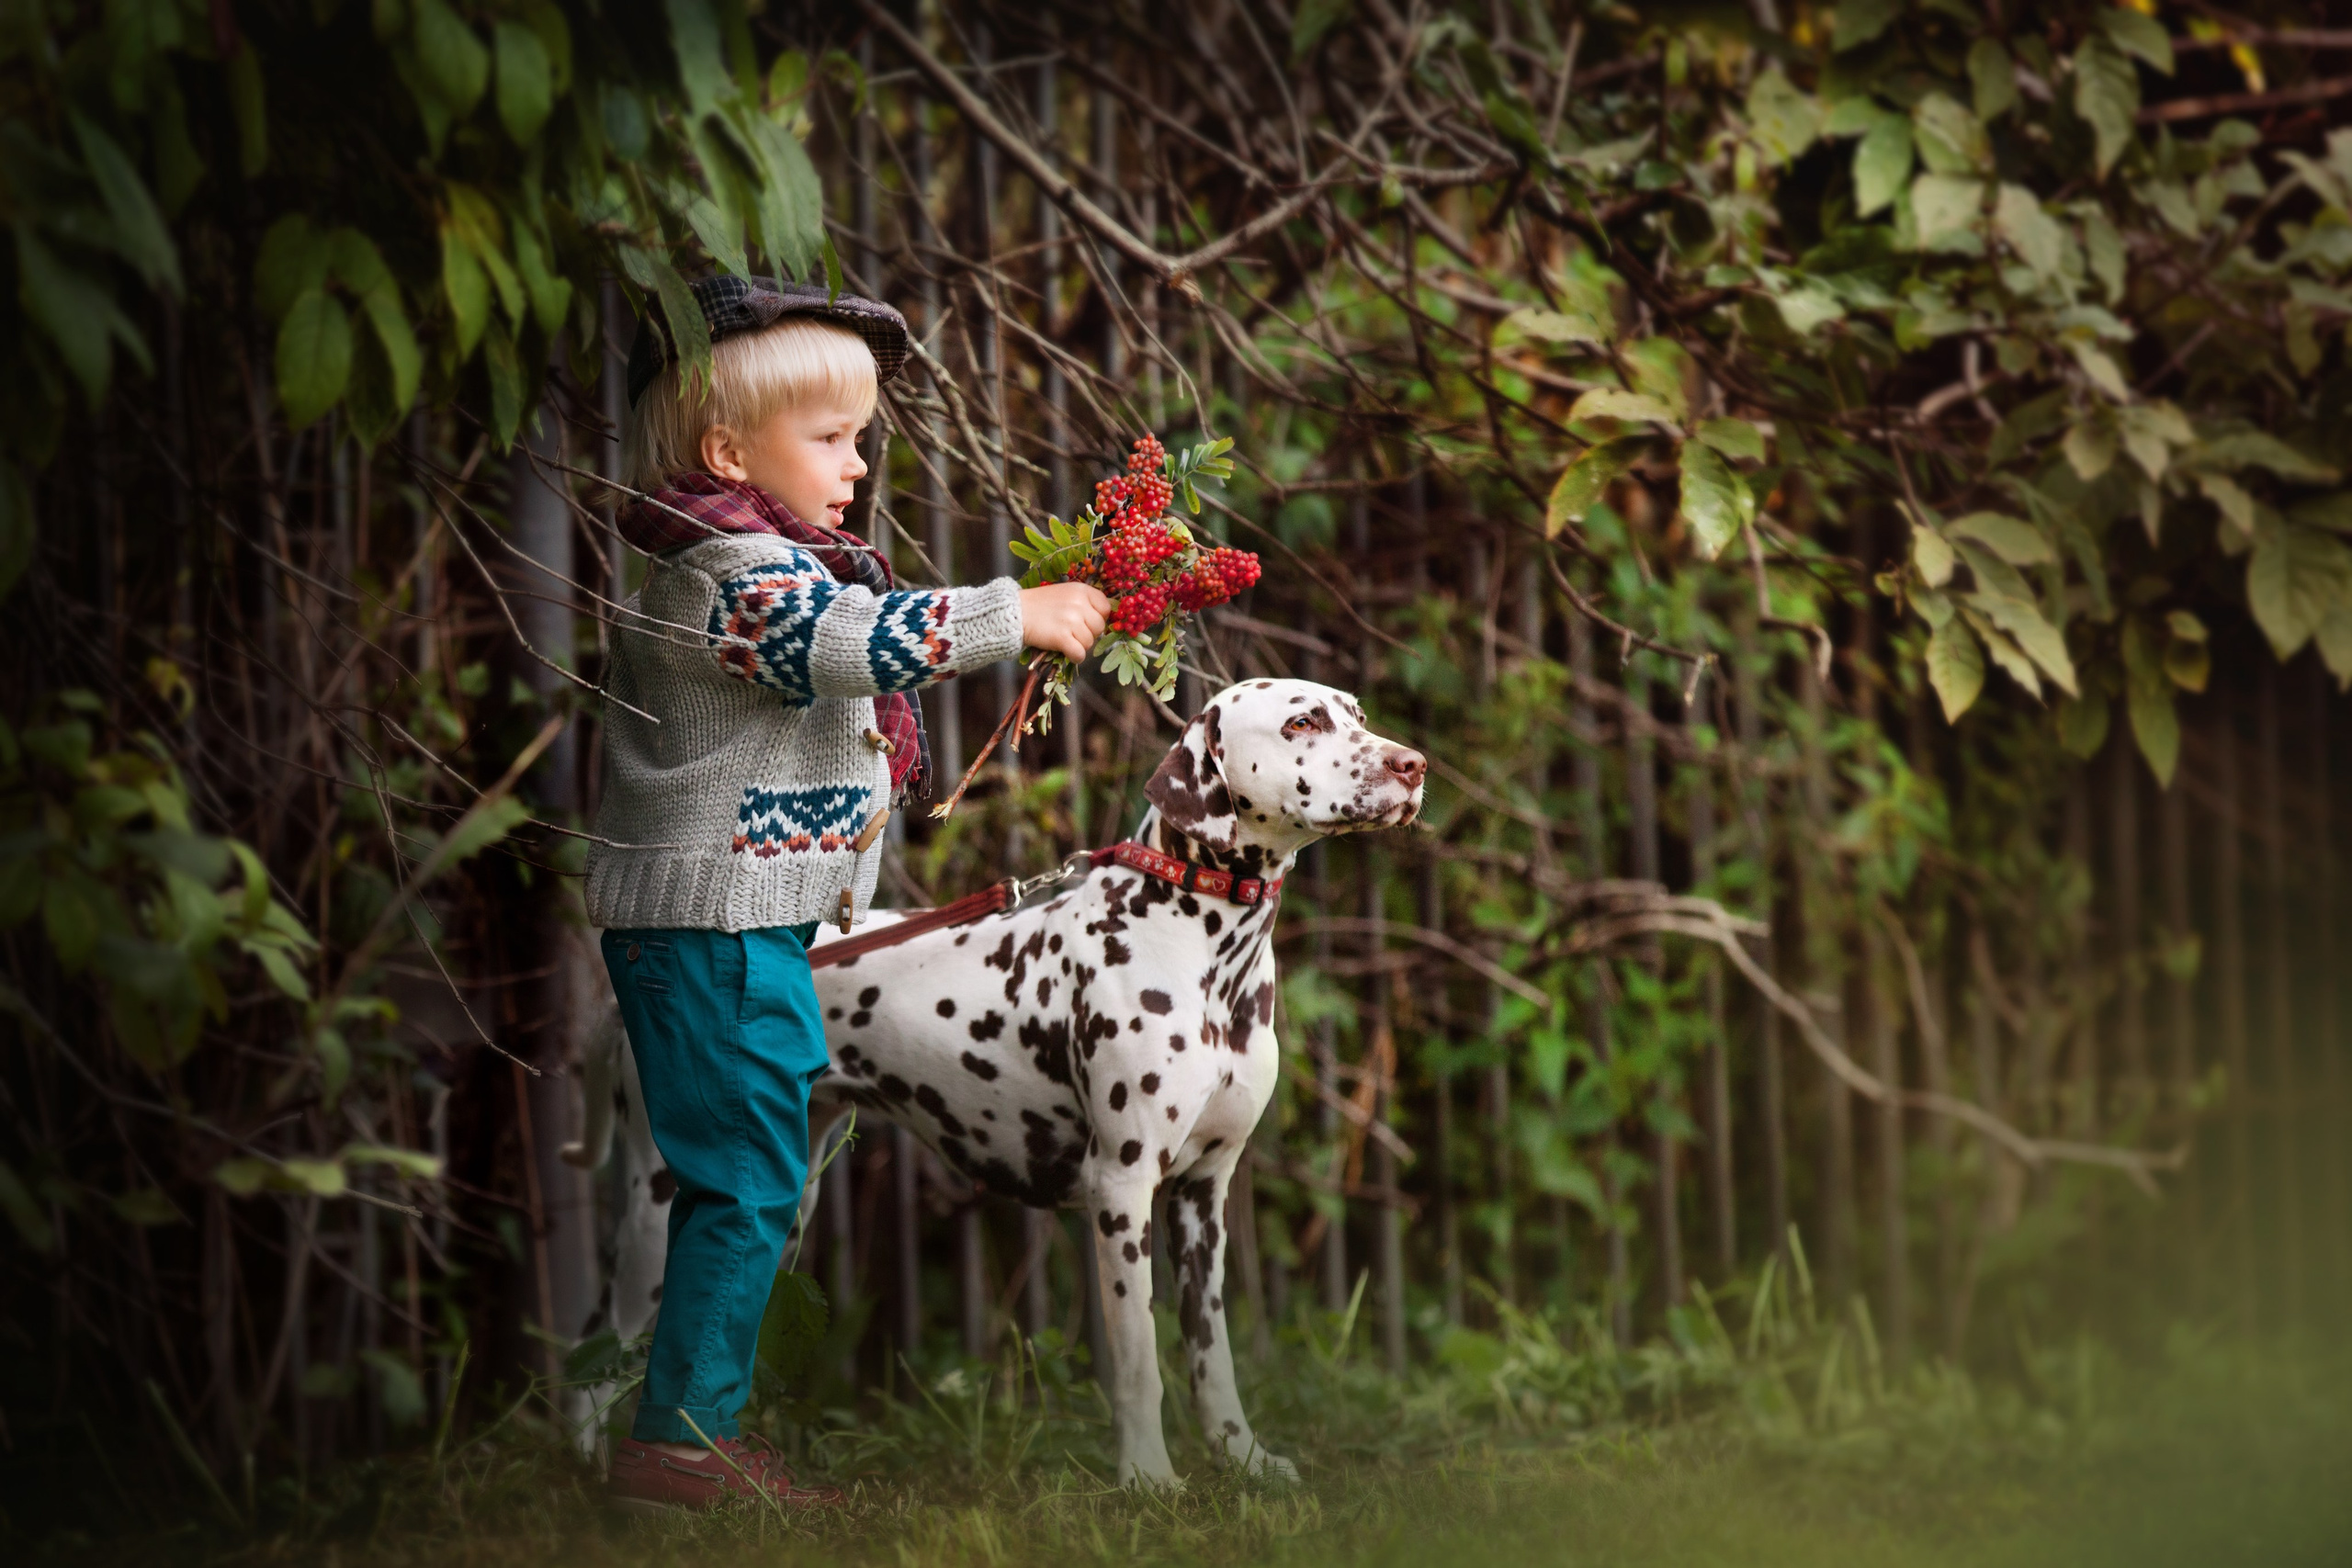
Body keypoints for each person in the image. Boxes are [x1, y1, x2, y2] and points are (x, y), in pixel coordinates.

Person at [586, 275, 1108, 1513]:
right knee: (751, 1180)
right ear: (729, 450)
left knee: (754, 1175)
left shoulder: (774, 563)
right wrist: (1011, 613)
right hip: (709, 930)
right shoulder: (734, 577)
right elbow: (841, 649)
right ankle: (679, 1450)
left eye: (862, 436)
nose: (860, 463)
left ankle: (682, 1435)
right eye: (830, 438)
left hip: (740, 926)